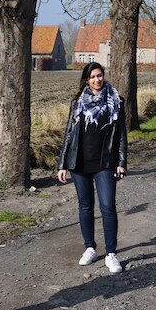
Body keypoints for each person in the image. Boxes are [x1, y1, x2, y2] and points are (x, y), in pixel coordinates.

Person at [57, 61, 128, 274]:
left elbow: (121, 134)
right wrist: (62, 164)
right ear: (87, 80)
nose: (97, 80)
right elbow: (69, 134)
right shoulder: (77, 102)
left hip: (105, 162)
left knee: (108, 206)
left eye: (100, 75)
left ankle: (111, 253)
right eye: (93, 77)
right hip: (79, 163)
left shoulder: (115, 101)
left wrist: (121, 162)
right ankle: (90, 247)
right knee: (85, 206)